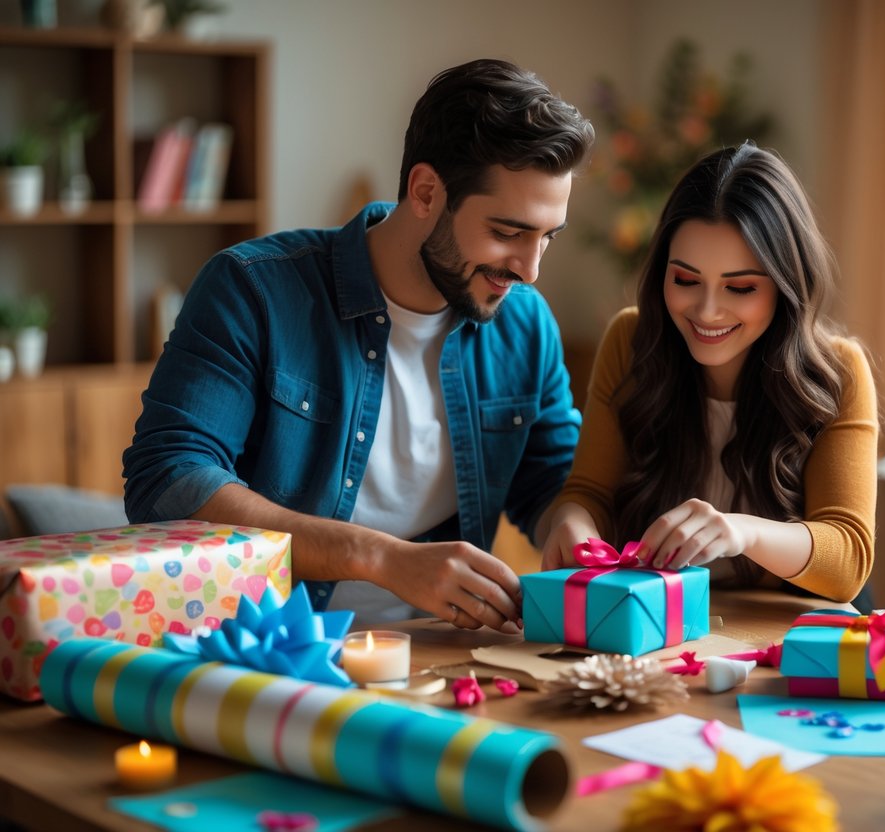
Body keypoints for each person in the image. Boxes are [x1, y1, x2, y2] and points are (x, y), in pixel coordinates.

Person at [123, 58, 595, 631]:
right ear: (425, 192)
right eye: (507, 232)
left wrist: (572, 521)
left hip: (439, 656)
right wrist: (380, 557)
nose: (531, 269)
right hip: (265, 653)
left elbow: (551, 480)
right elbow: (168, 480)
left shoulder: (526, 325)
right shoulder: (252, 290)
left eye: (547, 237)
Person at [542, 142, 877, 604]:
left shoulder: (839, 372)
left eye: (740, 287)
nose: (708, 311)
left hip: (783, 639)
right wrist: (572, 522)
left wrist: (741, 533)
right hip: (655, 625)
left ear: (785, 287)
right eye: (685, 280)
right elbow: (588, 491)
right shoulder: (632, 341)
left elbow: (849, 560)